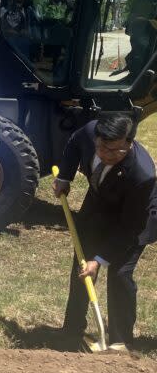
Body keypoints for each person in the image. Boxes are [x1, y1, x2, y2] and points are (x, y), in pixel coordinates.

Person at [53, 112, 157, 351]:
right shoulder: (91, 133)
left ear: (129, 144)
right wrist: (66, 177)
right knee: (82, 268)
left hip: (134, 220)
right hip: (98, 208)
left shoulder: (142, 175)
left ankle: (120, 340)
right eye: (101, 148)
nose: (106, 154)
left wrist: (100, 260)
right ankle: (72, 331)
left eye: (115, 151)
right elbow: (73, 144)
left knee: (120, 273)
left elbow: (130, 227)